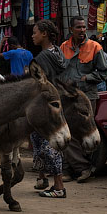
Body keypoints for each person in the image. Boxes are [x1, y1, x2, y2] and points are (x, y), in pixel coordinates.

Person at [59, 16, 107, 182]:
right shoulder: (63, 47)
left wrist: (86, 78)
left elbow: (104, 72)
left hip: (87, 97)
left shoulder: (95, 47)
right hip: (68, 97)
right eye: (78, 28)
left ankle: (80, 167)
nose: (82, 30)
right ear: (71, 29)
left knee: (82, 132)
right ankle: (74, 169)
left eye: (84, 27)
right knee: (67, 133)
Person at [30, 20, 68, 198]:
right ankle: (43, 179)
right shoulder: (58, 52)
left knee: (48, 146)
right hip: (58, 104)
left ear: (44, 34)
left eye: (35, 32)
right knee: (43, 143)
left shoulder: (41, 58)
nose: (33, 35)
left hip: (45, 107)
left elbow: (40, 85)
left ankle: (59, 187)